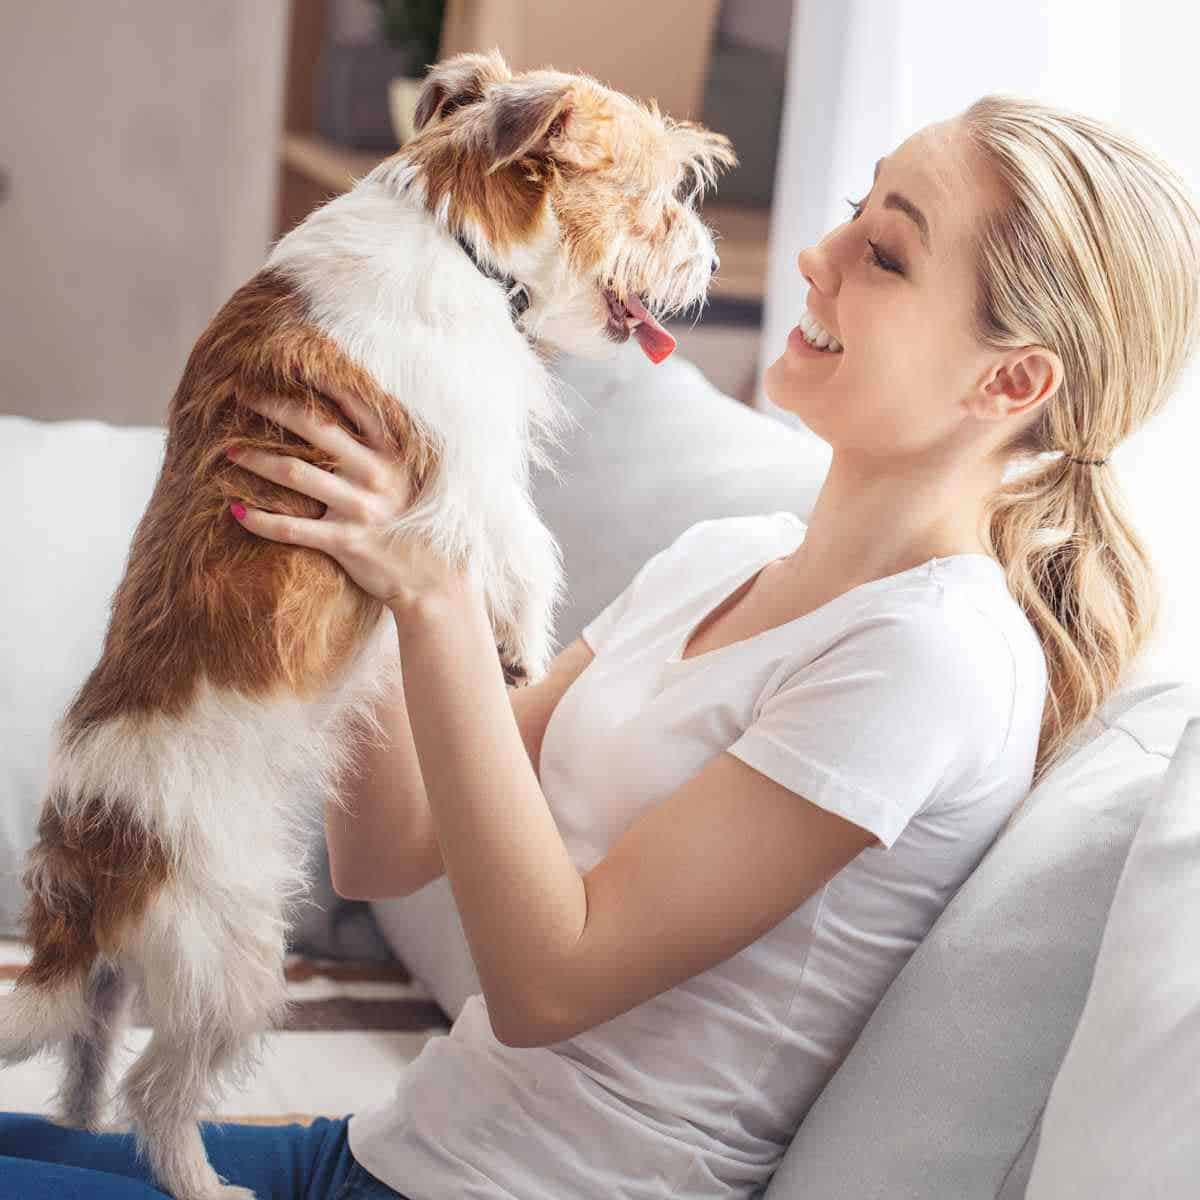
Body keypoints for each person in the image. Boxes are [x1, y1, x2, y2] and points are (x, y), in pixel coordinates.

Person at [3, 93, 1197, 1200]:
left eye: (885, 254)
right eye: (851, 215)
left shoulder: (929, 660)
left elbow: (545, 985)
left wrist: (436, 587)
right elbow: (385, 849)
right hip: (387, 1157)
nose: (815, 261)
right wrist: (350, 565)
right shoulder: (725, 558)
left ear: (1014, 382)